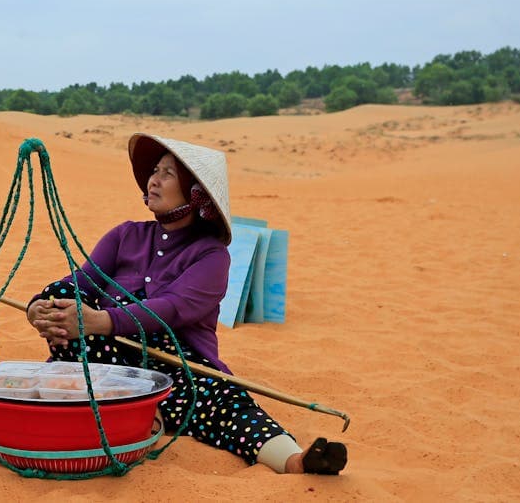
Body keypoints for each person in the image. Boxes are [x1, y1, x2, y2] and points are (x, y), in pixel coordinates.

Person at [26, 133, 347, 475]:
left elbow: (173, 308)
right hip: (107, 359)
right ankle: (137, 414)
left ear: (196, 194)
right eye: (154, 170)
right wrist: (41, 306)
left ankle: (294, 460)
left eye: (167, 173)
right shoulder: (125, 235)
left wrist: (100, 320)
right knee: (71, 330)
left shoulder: (211, 255)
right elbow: (83, 281)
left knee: (221, 400)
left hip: (177, 365)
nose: (153, 180)